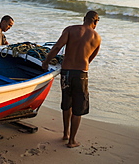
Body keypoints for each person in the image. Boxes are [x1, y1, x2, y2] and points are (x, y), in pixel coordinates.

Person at [42, 11, 101, 148]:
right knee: (78, 108)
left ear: (84, 19)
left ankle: (65, 134)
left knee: (66, 103)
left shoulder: (70, 29)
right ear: (95, 22)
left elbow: (57, 47)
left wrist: (46, 61)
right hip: (81, 74)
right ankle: (72, 141)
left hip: (66, 72)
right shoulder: (97, 37)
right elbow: (90, 59)